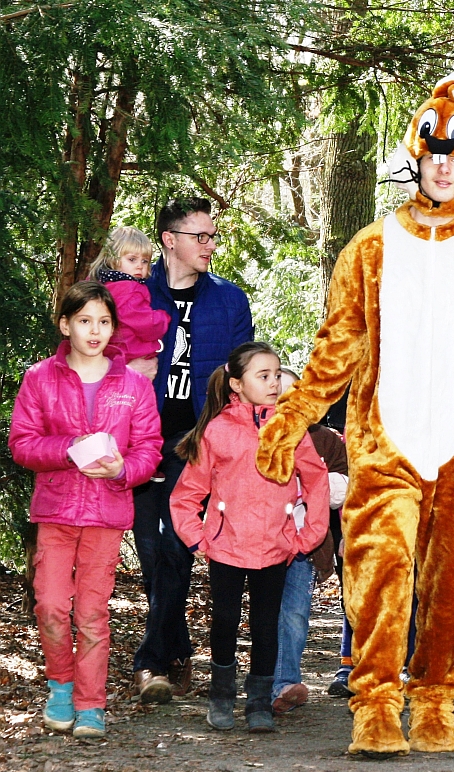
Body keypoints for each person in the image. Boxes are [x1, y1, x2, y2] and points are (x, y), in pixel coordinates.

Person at [256, 67, 454, 756]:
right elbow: (334, 349)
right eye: (432, 155)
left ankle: (434, 701)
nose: (442, 168)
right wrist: (292, 416)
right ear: (415, 157)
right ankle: (374, 704)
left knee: (453, 585)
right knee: (379, 569)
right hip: (385, 442)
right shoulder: (369, 248)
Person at [9, 281, 162, 739]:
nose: (94, 331)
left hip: (106, 513)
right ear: (65, 325)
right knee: (51, 604)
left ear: (113, 328)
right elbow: (22, 444)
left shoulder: (134, 384)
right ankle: (60, 686)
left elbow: (149, 448)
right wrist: (69, 448)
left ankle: (91, 704)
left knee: (92, 613)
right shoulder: (40, 378)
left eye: (103, 322)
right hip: (55, 510)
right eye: (84, 321)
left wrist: (122, 469)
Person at [131, 197, 253, 705]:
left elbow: (242, 374)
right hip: (138, 439)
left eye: (212, 236)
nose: (210, 245)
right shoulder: (136, 294)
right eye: (199, 236)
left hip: (195, 443)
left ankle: (152, 662)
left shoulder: (230, 300)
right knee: (151, 551)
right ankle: (176, 646)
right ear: (169, 240)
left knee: (177, 546)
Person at [171, 342, 329, 733]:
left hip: (276, 547)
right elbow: (188, 492)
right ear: (237, 384)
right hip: (226, 546)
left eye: (277, 374)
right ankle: (221, 696)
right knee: (224, 622)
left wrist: (306, 537)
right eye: (264, 376)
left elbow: (316, 479)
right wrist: (197, 538)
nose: (274, 383)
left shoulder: (290, 429)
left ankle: (258, 703)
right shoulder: (217, 430)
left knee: (266, 625)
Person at [272, 368, 346, 715]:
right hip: (258, 542)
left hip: (304, 543)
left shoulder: (325, 439)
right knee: (264, 613)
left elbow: (344, 487)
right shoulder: (252, 434)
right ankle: (256, 683)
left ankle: (285, 683)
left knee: (295, 612)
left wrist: (312, 481)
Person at [87, 226, 171, 366]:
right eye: (132, 259)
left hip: (107, 354)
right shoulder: (129, 291)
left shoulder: (99, 283)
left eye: (145, 261)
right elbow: (147, 325)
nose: (139, 266)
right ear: (113, 258)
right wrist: (163, 317)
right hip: (129, 353)